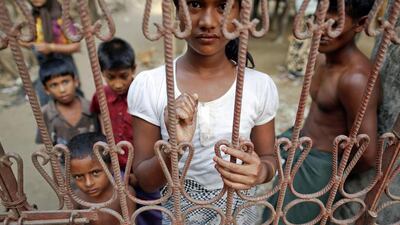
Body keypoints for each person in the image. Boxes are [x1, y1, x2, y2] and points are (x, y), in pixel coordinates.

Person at [127, 0, 279, 224]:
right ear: (178, 10)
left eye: (222, 6)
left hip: (239, 213)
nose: (208, 22)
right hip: (179, 213)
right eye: (195, 4)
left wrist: (261, 172)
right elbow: (146, 181)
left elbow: (269, 157)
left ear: (242, 13)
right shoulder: (150, 85)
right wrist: (173, 150)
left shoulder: (259, 86)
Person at [264, 0, 380, 223]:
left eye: (334, 22)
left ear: (361, 23)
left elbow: (367, 153)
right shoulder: (324, 59)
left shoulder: (355, 78)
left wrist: (326, 174)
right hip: (299, 151)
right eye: (319, 19)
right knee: (272, 214)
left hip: (318, 166)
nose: (322, 29)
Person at [90, 37, 162, 225]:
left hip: (144, 165)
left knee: (152, 208)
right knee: (124, 208)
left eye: (123, 76)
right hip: (116, 167)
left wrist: (141, 172)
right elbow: (97, 123)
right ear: (103, 74)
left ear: (134, 69)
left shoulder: (145, 94)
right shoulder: (100, 97)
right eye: (111, 77)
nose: (118, 83)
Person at [66, 132, 136, 225]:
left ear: (112, 167)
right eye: (78, 176)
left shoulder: (124, 194)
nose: (88, 183)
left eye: (95, 173)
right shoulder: (76, 198)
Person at [23, 0, 82, 106]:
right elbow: (32, 42)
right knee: (48, 105)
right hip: (45, 68)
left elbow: (76, 46)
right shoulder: (33, 15)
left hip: (65, 66)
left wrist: (51, 47)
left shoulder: (61, 14)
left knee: (74, 99)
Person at [35, 57, 99, 145]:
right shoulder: (45, 114)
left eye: (65, 82)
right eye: (54, 85)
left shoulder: (90, 107)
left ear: (75, 81)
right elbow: (45, 145)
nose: (62, 90)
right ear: (46, 90)